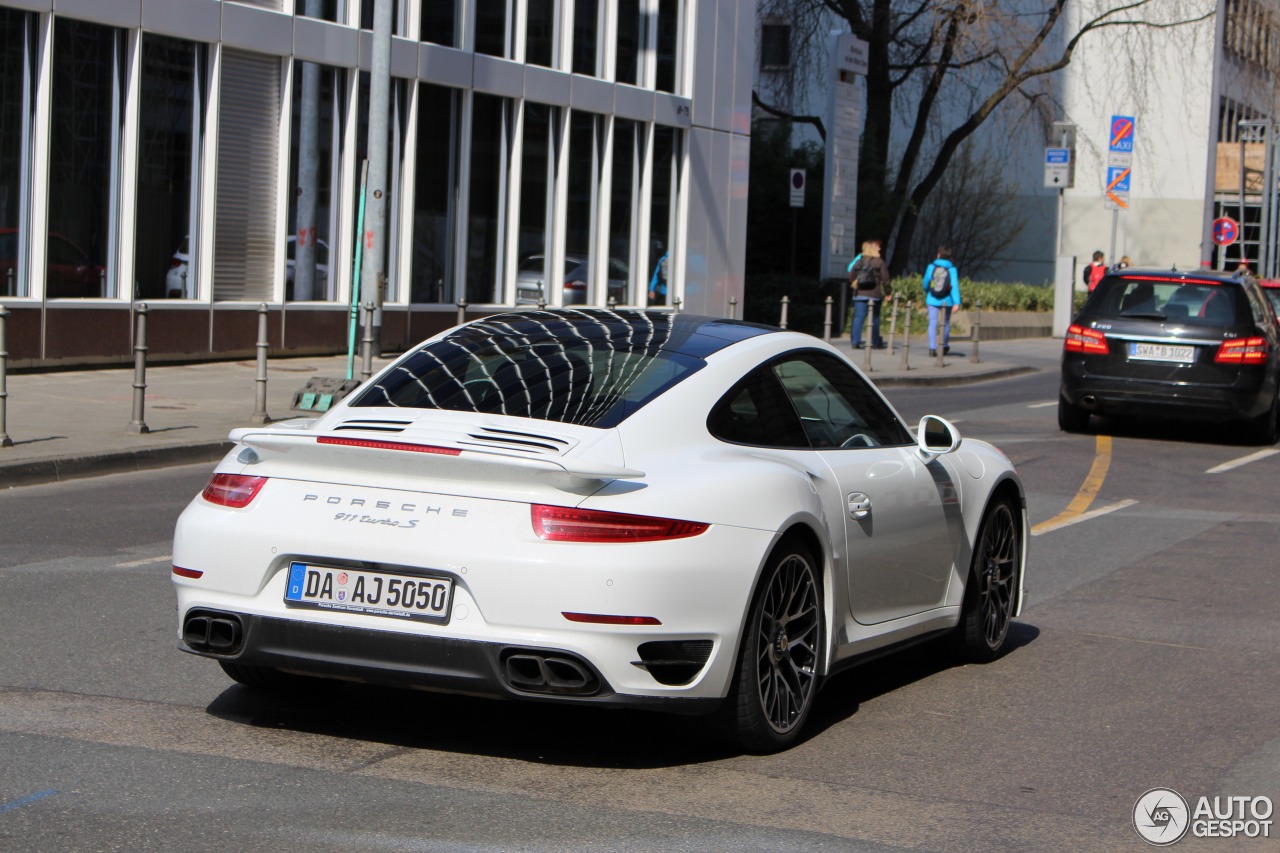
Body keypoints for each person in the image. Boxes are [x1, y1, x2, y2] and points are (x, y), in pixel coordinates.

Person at [847, 240, 891, 349]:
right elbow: (885, 279)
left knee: (858, 317)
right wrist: (888, 292)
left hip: (859, 294)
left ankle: (855, 341)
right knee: (875, 318)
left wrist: (855, 283)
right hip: (874, 294)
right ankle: (875, 341)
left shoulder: (859, 262)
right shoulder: (879, 262)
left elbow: (851, 276)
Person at [922, 246, 961, 357]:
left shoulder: (931, 267)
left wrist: (927, 291)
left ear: (938, 254)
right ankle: (943, 345)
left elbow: (926, 282)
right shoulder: (952, 269)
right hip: (946, 301)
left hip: (932, 298)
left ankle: (932, 347)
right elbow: (954, 287)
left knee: (932, 323)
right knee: (946, 323)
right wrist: (956, 302)